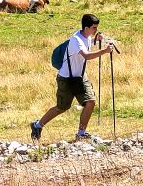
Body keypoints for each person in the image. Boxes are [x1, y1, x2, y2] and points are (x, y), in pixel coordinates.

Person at [30, 13, 114, 142]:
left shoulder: (85, 36)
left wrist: (95, 39)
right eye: (94, 28)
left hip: (80, 76)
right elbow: (86, 55)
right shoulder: (76, 40)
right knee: (61, 108)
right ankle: (37, 125)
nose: (96, 30)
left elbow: (87, 43)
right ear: (86, 28)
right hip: (66, 79)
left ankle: (81, 133)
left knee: (90, 102)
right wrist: (104, 51)